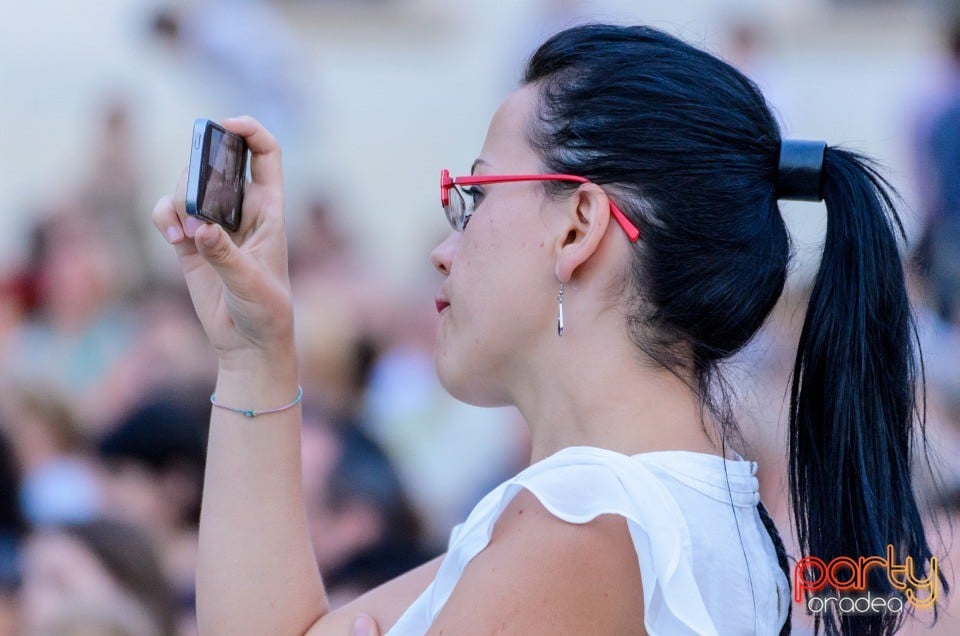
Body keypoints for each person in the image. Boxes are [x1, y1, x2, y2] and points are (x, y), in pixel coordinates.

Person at [152, 24, 945, 636]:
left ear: (578, 226)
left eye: (474, 194)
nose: (441, 249)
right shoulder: (625, 513)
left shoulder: (580, 524)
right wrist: (256, 352)